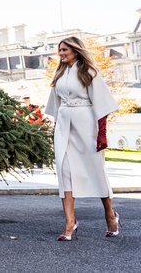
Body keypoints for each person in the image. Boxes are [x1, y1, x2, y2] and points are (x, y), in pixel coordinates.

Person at [44, 36, 121, 241]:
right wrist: (56, 127)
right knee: (64, 171)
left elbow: (103, 106)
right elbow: (55, 103)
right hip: (64, 126)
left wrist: (102, 134)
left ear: (76, 51)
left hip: (87, 125)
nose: (61, 54)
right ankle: (70, 223)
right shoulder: (59, 74)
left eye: (65, 50)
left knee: (96, 171)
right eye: (60, 50)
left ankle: (110, 215)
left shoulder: (90, 73)